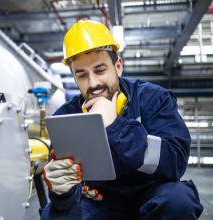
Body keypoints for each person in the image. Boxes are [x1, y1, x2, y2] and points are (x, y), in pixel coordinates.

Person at [41, 20, 203, 219]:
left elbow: (175, 163)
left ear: (118, 66)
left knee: (178, 200)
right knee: (54, 214)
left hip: (150, 196)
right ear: (74, 78)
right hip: (98, 203)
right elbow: (65, 197)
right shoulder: (65, 117)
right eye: (82, 75)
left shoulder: (153, 99)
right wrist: (61, 190)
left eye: (100, 70)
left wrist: (116, 125)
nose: (93, 84)